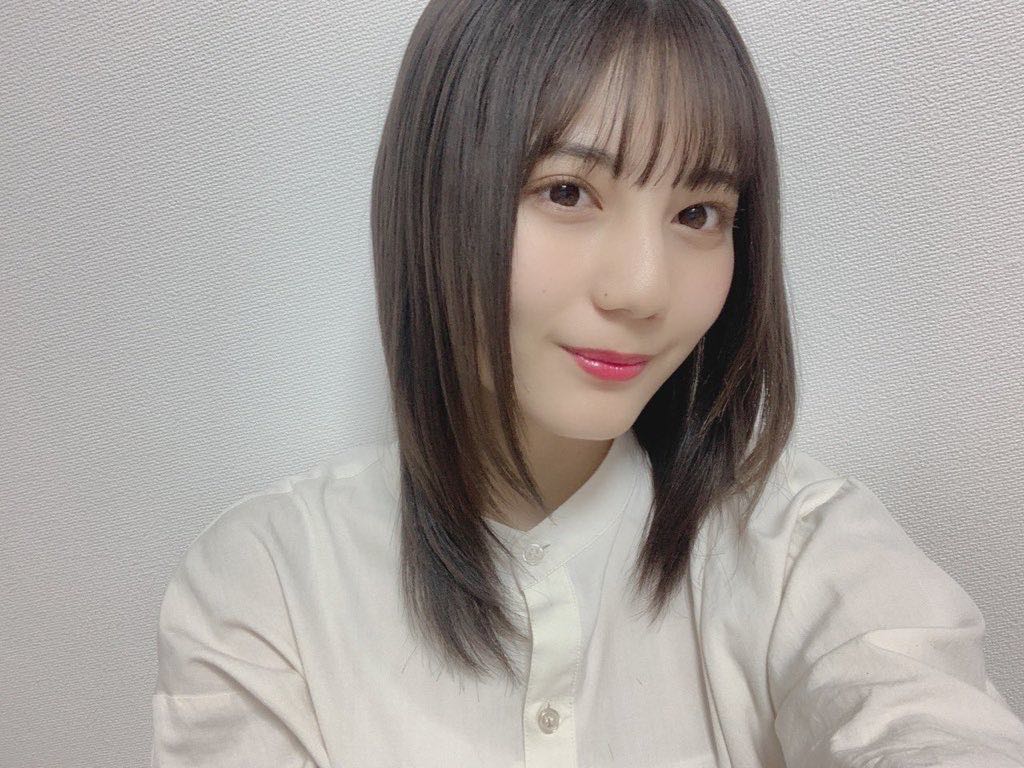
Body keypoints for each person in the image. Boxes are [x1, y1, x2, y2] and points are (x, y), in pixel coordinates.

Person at [150, 0, 1024, 765]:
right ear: (434, 198)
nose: (643, 288)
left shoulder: (804, 549)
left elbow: (924, 720)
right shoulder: (269, 585)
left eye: (698, 213)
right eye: (567, 192)